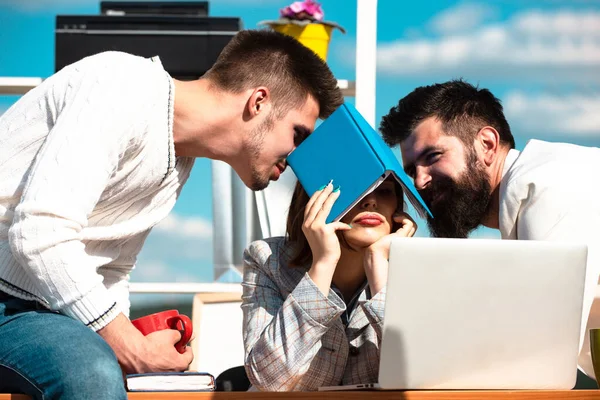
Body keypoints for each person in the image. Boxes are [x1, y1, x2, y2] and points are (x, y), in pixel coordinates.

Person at [0, 29, 343, 399]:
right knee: (93, 374)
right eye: (298, 134)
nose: (295, 158)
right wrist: (124, 342)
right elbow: (39, 232)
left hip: (43, 311)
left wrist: (135, 343)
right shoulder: (120, 85)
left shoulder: (179, 157)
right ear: (259, 101)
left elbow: (113, 267)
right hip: (12, 302)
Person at [379, 79, 600, 380]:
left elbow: (537, 353)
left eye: (432, 157)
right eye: (411, 170)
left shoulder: (549, 184)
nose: (419, 181)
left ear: (487, 145)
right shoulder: (531, 198)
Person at [242, 177, 417, 391]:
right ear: (316, 199)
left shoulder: (414, 268)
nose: (370, 202)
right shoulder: (268, 259)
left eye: (385, 191)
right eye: (356, 189)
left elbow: (420, 373)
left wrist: (378, 263)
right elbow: (269, 380)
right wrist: (323, 263)